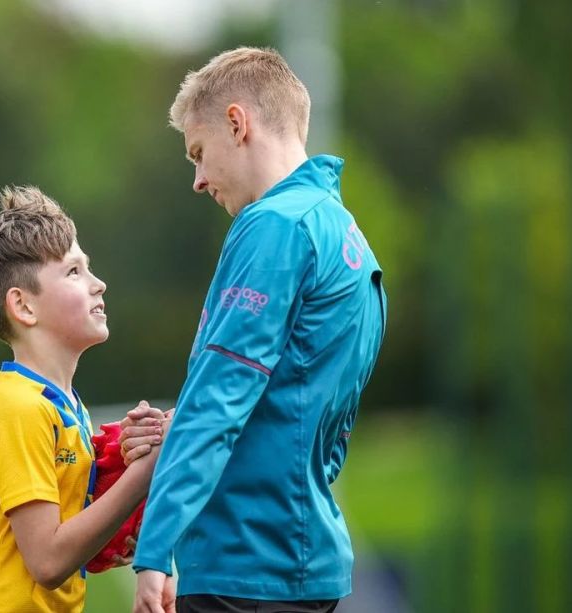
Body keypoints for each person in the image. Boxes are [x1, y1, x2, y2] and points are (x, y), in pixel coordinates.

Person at [126, 47, 388, 613]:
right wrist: (180, 429)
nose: (197, 180)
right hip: (304, 557)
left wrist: (156, 548)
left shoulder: (272, 225)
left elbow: (220, 397)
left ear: (237, 124)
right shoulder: (349, 238)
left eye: (198, 153)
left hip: (243, 566)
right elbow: (311, 417)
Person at [0, 185, 163, 613]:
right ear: (23, 306)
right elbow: (48, 559)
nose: (99, 284)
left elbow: (84, 542)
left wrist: (123, 458)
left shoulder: (60, 405)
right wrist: (144, 474)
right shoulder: (17, 408)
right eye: (74, 272)